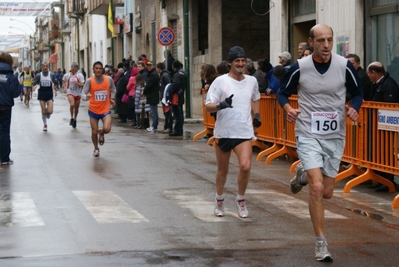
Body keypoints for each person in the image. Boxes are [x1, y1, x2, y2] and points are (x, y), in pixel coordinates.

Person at [277, 24, 362, 262]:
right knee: (316, 187)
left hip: (335, 134)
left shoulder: (344, 66)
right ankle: (321, 243)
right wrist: (288, 109)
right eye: (321, 40)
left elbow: (358, 93)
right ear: (311, 42)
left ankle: (301, 175)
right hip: (308, 132)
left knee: (326, 193)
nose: (326, 45)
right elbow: (282, 93)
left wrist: (354, 109)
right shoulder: (299, 67)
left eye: (330, 40)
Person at [205, 46, 261, 218]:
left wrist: (256, 115)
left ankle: (241, 200)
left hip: (243, 131)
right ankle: (219, 200)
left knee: (245, 166)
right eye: (237, 61)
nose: (241, 64)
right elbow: (208, 106)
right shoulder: (220, 81)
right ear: (230, 63)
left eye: (243, 61)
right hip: (224, 132)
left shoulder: (252, 81)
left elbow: (256, 98)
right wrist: (221, 105)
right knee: (223, 171)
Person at [366, 61, 399, 192]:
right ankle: (380, 179)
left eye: (369, 73)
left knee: (385, 153)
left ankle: (387, 180)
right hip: (377, 125)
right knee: (378, 153)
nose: (368, 76)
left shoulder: (388, 84)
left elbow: (390, 104)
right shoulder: (378, 84)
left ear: (374, 73)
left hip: (385, 125)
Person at [82, 61, 116, 157]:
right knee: (93, 131)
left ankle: (101, 133)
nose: (98, 70)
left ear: (102, 70)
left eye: (100, 68)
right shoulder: (89, 81)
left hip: (105, 109)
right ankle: (96, 148)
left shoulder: (108, 79)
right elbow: (83, 93)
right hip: (93, 110)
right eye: (96, 68)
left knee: (107, 128)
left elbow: (113, 89)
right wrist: (86, 96)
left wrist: (112, 98)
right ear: (93, 70)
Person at [0, 52, 20, 165]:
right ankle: (4, 158)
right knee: (4, 131)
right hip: (5, 107)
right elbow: (15, 93)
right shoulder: (11, 76)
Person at [31, 62, 58, 131]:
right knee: (43, 112)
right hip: (42, 93)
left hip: (49, 93)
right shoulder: (38, 75)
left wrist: (55, 89)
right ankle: (45, 124)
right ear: (41, 67)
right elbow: (33, 83)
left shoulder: (51, 74)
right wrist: (33, 87)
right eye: (44, 66)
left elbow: (55, 82)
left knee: (50, 111)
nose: (45, 67)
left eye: (46, 66)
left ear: (48, 67)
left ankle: (47, 111)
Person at [62, 62, 85, 128]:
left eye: (75, 67)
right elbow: (63, 80)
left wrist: (77, 83)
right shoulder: (67, 75)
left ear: (77, 68)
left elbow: (83, 84)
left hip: (77, 93)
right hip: (70, 92)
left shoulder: (79, 75)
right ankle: (71, 117)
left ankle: (75, 119)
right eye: (72, 67)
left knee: (76, 108)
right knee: (72, 104)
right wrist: (65, 87)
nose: (73, 68)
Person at [169, 60, 187, 136]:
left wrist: (171, 91)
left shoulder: (176, 75)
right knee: (180, 114)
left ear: (174, 66)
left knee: (177, 114)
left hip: (176, 96)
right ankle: (180, 129)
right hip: (181, 95)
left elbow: (175, 85)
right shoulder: (184, 73)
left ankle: (177, 130)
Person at [143, 61, 160, 132]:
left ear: (153, 66)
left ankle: (154, 126)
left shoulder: (153, 75)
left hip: (153, 95)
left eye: (150, 65)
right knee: (152, 111)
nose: (148, 67)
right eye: (147, 66)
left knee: (153, 112)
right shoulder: (152, 74)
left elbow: (149, 85)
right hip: (152, 95)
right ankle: (154, 125)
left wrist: (144, 92)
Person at [156, 62, 172, 133]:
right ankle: (166, 126)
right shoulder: (162, 75)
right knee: (165, 113)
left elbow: (168, 86)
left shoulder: (165, 76)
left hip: (166, 98)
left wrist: (167, 96)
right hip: (164, 97)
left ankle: (169, 127)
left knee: (168, 113)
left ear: (159, 68)